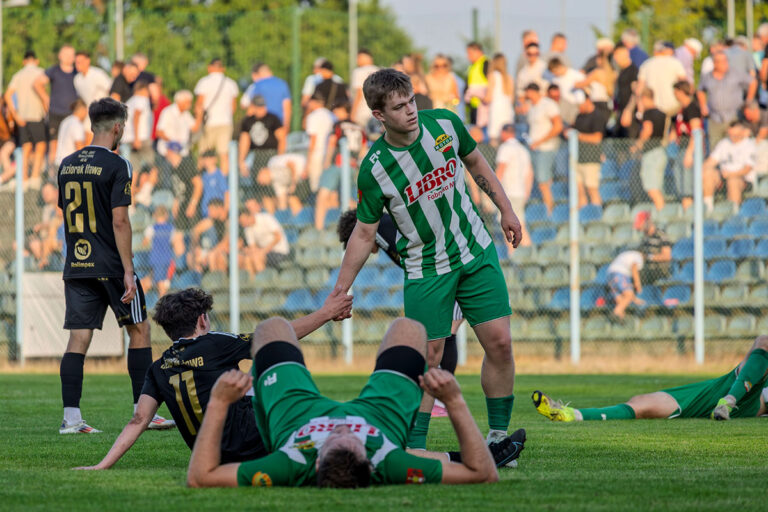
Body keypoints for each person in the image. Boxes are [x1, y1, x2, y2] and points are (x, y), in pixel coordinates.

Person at [334, 69, 522, 455]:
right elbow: (364, 234)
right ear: (379, 115)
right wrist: (340, 290)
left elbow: (477, 164)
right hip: (426, 269)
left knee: (501, 344)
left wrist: (506, 209)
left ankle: (498, 437)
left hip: (475, 251)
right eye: (399, 107)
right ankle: (415, 447)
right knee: (429, 358)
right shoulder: (374, 168)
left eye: (411, 102)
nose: (410, 111)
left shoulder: (445, 124)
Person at [185, 317, 525, 488]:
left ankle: (265, 411)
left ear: (315, 463)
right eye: (353, 438)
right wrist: (454, 401)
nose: (343, 427)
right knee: (408, 329)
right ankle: (423, 441)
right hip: (378, 417)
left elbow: (199, 477)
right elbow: (484, 474)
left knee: (272, 327)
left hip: (297, 418)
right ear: (372, 463)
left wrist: (218, 402)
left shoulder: (287, 466)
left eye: (335, 436)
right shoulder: (391, 464)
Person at [72, 287, 353, 470]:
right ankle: (326, 428)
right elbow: (276, 335)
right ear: (202, 320)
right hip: (254, 444)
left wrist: (101, 465)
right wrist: (326, 313)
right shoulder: (215, 343)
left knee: (250, 376)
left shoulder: (158, 368)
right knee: (274, 360)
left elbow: (139, 420)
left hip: (211, 458)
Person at [56, 97, 171, 434]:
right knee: (140, 329)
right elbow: (120, 221)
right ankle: (143, 412)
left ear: (94, 125)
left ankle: (71, 419)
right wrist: (128, 270)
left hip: (77, 264)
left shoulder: (66, 164)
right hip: (110, 264)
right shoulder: (118, 164)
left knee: (79, 338)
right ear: (118, 128)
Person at [533, 335, 768, 421]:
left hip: (748, 402)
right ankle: (571, 415)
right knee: (642, 403)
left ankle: (728, 402)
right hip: (723, 386)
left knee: (764, 341)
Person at [314, 103, 366, 230]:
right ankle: (358, 225)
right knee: (346, 198)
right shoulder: (359, 127)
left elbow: (332, 142)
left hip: (337, 163)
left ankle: (319, 228)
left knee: (323, 196)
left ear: (343, 110)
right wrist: (357, 163)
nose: (335, 113)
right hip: (352, 166)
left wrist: (326, 162)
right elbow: (363, 148)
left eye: (336, 110)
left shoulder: (339, 125)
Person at [4, 50, 47, 188]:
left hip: (22, 117)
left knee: (26, 147)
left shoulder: (18, 75)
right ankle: (35, 177)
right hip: (36, 115)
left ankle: (24, 179)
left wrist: (15, 115)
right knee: (41, 145)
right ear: (36, 61)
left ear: (24, 61)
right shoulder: (41, 72)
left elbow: (7, 95)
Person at [698, 51, 757, 149]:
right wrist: (703, 105)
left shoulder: (736, 73)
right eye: (721, 61)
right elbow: (700, 90)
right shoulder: (707, 77)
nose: (725, 63)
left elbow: (753, 82)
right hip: (714, 118)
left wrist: (749, 100)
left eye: (726, 60)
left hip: (733, 117)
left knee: (735, 147)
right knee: (715, 148)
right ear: (715, 63)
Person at [35, 44, 78, 168]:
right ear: (60, 56)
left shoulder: (77, 72)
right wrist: (46, 99)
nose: (69, 57)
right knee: (54, 145)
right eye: (66, 54)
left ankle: (73, 171)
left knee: (73, 143)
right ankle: (52, 173)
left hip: (72, 115)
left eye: (71, 55)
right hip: (56, 113)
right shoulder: (54, 70)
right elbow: (37, 83)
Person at [194, 58, 239, 173]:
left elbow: (199, 105)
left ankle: (200, 178)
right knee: (223, 154)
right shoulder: (231, 83)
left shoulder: (204, 82)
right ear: (223, 69)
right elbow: (233, 107)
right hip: (225, 122)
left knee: (203, 153)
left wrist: (198, 122)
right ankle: (223, 179)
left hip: (208, 123)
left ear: (209, 68)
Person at [703, 120, 757, 214]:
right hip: (723, 177)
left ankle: (734, 213)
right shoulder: (724, 143)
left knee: (733, 181)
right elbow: (711, 161)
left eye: (735, 135)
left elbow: (747, 169)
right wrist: (702, 169)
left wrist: (730, 174)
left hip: (742, 178)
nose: (732, 137)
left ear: (743, 133)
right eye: (730, 135)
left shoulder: (750, 145)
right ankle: (708, 208)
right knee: (708, 173)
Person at [525, 82, 562, 215]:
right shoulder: (532, 107)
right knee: (537, 180)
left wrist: (540, 141)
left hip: (545, 148)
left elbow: (558, 126)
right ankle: (546, 210)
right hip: (533, 148)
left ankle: (550, 212)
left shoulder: (548, 104)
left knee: (543, 181)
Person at [494, 124, 533, 249]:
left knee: (507, 227)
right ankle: (530, 252)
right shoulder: (523, 149)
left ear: (504, 133)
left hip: (508, 193)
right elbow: (530, 173)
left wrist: (492, 190)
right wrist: (527, 192)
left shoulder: (505, 148)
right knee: (520, 225)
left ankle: (513, 255)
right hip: (520, 192)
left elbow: (500, 170)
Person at [629, 89, 668, 211]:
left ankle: (661, 214)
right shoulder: (662, 113)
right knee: (657, 187)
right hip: (660, 151)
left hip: (651, 153)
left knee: (652, 188)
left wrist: (638, 145)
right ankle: (661, 213)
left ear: (644, 98)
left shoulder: (648, 113)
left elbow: (647, 130)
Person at [238, 94, 285, 184]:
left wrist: (280, 158)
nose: (262, 109)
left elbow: (282, 139)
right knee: (257, 182)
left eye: (262, 106)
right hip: (256, 155)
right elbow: (244, 142)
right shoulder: (248, 121)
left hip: (272, 154)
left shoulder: (273, 119)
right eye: (258, 107)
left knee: (271, 183)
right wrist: (241, 161)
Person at [670, 81, 702, 211]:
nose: (674, 94)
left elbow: (696, 131)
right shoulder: (680, 110)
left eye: (676, 91)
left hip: (690, 148)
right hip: (681, 148)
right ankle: (685, 209)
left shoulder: (692, 108)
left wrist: (690, 153)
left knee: (687, 184)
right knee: (680, 182)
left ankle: (689, 211)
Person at [140, 205, 183, 297]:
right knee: (154, 284)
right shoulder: (171, 228)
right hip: (166, 259)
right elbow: (177, 246)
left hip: (156, 260)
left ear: (155, 216)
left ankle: (162, 303)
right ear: (166, 215)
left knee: (160, 286)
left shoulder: (152, 228)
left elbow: (145, 242)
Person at [637, 41, 688, 117]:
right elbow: (684, 84)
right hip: (673, 106)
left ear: (654, 51)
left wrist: (640, 110)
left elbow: (640, 89)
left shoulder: (646, 64)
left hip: (653, 106)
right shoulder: (675, 63)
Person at [570, 93, 604, 207]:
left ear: (588, 100)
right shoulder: (579, 116)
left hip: (591, 159)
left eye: (581, 104)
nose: (579, 107)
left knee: (592, 189)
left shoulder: (597, 116)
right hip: (577, 158)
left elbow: (597, 138)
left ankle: (597, 214)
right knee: (579, 190)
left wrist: (578, 136)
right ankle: (581, 215)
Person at [239, 63, 292, 130]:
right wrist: (286, 126)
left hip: (263, 125)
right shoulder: (283, 84)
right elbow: (287, 107)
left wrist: (247, 125)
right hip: (279, 124)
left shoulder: (258, 85)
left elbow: (253, 106)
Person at [239, 209, 291, 276]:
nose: (244, 224)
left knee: (256, 258)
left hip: (280, 251)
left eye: (244, 220)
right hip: (264, 252)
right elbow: (253, 248)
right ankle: (253, 281)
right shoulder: (247, 229)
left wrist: (263, 251)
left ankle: (264, 280)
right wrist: (247, 250)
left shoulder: (266, 218)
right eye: (242, 222)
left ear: (251, 215)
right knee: (247, 259)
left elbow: (278, 237)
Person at [303, 92, 335, 193]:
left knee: (316, 185)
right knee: (329, 186)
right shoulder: (331, 115)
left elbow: (313, 139)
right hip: (330, 153)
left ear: (313, 102)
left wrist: (308, 162)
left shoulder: (313, 116)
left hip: (316, 154)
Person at [633, 210, 672, 284]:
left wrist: (648, 257)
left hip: (660, 271)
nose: (640, 229)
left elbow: (667, 256)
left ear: (648, 222)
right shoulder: (644, 238)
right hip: (647, 272)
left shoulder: (661, 235)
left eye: (641, 225)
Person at [485, 53, 514, 146]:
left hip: (496, 109)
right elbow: (512, 99)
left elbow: (488, 98)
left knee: (494, 139)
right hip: (507, 110)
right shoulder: (509, 78)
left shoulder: (492, 75)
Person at [606, 249, 645, 320]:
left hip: (610, 274)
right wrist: (638, 283)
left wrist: (634, 299)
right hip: (620, 274)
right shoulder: (638, 256)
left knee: (620, 300)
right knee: (628, 295)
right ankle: (615, 314)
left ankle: (619, 320)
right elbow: (634, 267)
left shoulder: (627, 254)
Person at [546, 57, 585, 125]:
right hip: (563, 108)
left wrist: (581, 105)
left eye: (555, 71)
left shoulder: (576, 75)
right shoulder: (555, 80)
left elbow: (584, 91)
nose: (555, 74)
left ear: (559, 66)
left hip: (577, 107)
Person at [612, 44, 639, 138]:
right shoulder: (621, 71)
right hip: (621, 112)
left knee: (629, 140)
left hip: (630, 114)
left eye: (617, 54)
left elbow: (636, 92)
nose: (615, 58)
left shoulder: (633, 70)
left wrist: (628, 111)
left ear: (626, 53)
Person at [54, 99, 88, 167]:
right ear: (82, 109)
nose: (86, 114)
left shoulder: (66, 121)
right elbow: (79, 147)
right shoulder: (77, 124)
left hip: (59, 162)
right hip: (70, 164)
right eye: (86, 111)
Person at [350, 49, 379, 128]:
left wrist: (353, 113)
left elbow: (359, 93)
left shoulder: (359, 71)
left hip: (362, 111)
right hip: (377, 110)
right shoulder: (379, 70)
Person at [515, 43, 547, 110]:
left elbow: (547, 92)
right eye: (530, 54)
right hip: (527, 109)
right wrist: (520, 106)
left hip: (542, 106)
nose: (533, 56)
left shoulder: (544, 68)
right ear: (525, 54)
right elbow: (520, 95)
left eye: (535, 54)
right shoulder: (522, 73)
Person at [465, 41, 489, 127]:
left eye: (470, 53)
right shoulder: (472, 66)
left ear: (478, 51)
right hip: (473, 106)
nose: (468, 56)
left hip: (484, 107)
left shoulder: (486, 63)